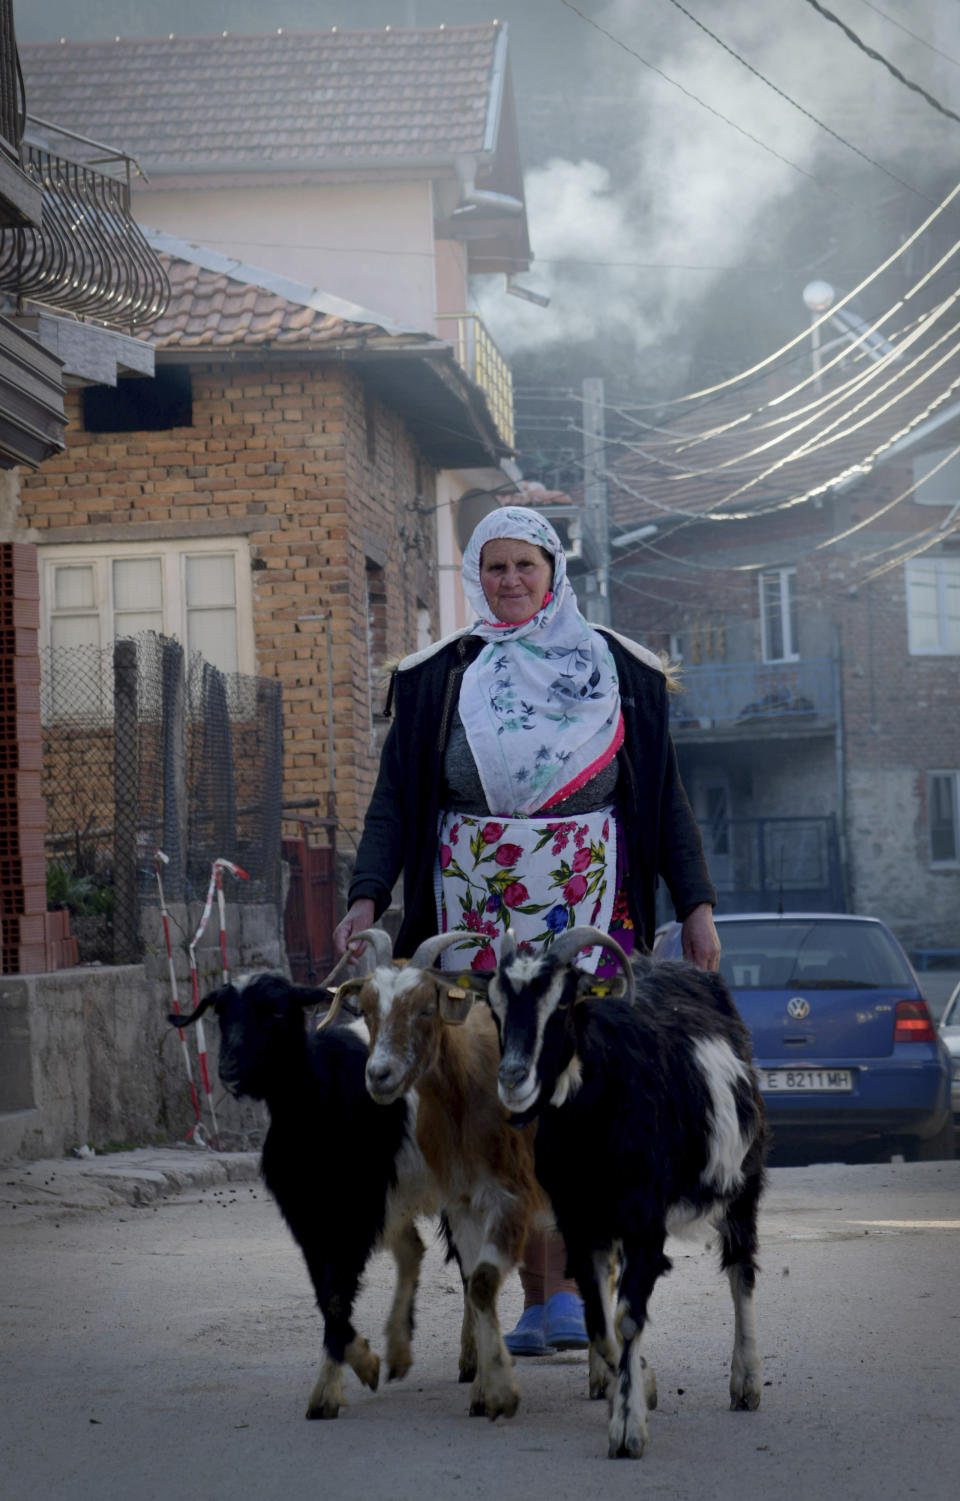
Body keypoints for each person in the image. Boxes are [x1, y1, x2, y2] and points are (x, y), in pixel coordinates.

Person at [334, 505, 720, 1356]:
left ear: (554, 571)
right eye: (495, 567)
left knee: (582, 1094)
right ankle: (533, 1291)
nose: (510, 582)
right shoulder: (440, 675)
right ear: (477, 573)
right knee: (492, 1098)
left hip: (588, 922)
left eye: (526, 567)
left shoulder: (619, 669)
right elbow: (394, 800)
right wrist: (368, 894)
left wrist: (695, 904)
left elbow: (663, 802)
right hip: (471, 926)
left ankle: (585, 1286)